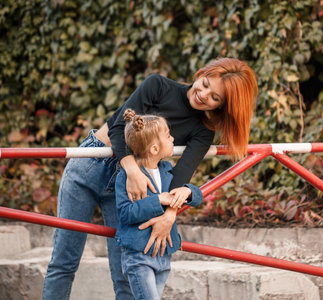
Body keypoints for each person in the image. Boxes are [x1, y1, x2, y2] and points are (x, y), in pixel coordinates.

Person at [43, 57, 258, 299]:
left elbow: (178, 179)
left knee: (126, 270)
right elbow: (116, 126)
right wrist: (133, 170)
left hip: (131, 190)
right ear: (201, 74)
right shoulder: (158, 86)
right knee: (64, 261)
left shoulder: (202, 131)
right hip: (91, 165)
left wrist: (169, 216)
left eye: (215, 97)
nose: (203, 94)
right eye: (206, 83)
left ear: (221, 107)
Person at [115, 109, 203, 299]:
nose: (173, 139)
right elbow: (125, 214)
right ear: (155, 149)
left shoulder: (168, 170)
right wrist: (158, 200)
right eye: (169, 136)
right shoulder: (127, 177)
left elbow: (198, 196)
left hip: (163, 256)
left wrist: (187, 191)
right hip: (139, 256)